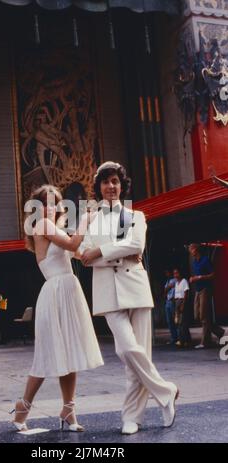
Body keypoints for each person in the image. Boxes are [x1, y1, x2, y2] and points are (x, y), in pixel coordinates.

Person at [79, 161, 179, 435]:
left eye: (115, 182)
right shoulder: (90, 218)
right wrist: (112, 253)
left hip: (135, 287)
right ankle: (166, 390)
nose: (111, 186)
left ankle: (131, 417)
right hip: (107, 291)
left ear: (122, 186)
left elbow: (136, 245)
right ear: (98, 187)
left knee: (139, 355)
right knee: (125, 350)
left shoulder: (136, 215)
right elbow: (84, 256)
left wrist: (100, 251)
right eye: (106, 182)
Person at [10, 185, 103, 432]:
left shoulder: (55, 230)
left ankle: (68, 409)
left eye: (55, 203)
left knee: (70, 354)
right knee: (46, 357)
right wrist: (85, 218)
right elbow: (74, 244)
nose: (52, 207)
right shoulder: (43, 226)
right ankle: (22, 407)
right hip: (55, 294)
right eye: (47, 203)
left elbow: (81, 253)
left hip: (67, 292)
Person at [189, 244, 225, 349]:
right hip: (197, 290)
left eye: (192, 249)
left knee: (204, 317)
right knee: (197, 316)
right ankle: (219, 331)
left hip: (205, 289)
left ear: (196, 249)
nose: (190, 251)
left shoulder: (205, 260)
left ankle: (205, 342)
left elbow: (213, 274)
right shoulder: (194, 262)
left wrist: (200, 277)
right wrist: (193, 278)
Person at [173, 268, 192, 348]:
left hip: (182, 302)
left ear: (180, 274)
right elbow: (176, 294)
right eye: (174, 274)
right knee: (178, 322)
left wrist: (183, 304)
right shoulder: (176, 283)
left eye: (177, 273)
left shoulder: (184, 281)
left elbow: (185, 293)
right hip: (177, 302)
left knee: (182, 322)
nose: (175, 275)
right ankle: (187, 340)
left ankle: (182, 340)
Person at [164, 270, 178, 345]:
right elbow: (165, 290)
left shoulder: (175, 280)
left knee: (175, 320)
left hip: (173, 301)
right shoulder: (167, 281)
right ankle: (173, 337)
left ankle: (178, 337)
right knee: (169, 321)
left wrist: (167, 288)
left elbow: (168, 288)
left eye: (168, 272)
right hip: (168, 301)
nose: (167, 274)